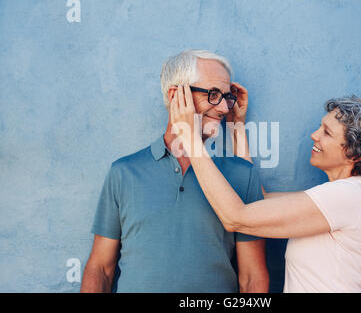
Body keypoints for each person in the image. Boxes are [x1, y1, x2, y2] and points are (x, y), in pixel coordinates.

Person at [170, 89, 361, 293]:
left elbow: (236, 217)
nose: (314, 135)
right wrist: (237, 125)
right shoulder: (343, 197)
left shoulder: (347, 197)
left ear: (356, 154)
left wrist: (189, 136)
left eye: (327, 132)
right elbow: (256, 200)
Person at [80, 50, 269, 293]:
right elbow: (100, 268)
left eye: (227, 97)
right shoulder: (124, 173)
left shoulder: (243, 174)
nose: (223, 108)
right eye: (213, 95)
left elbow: (252, 277)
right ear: (176, 95)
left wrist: (237, 127)